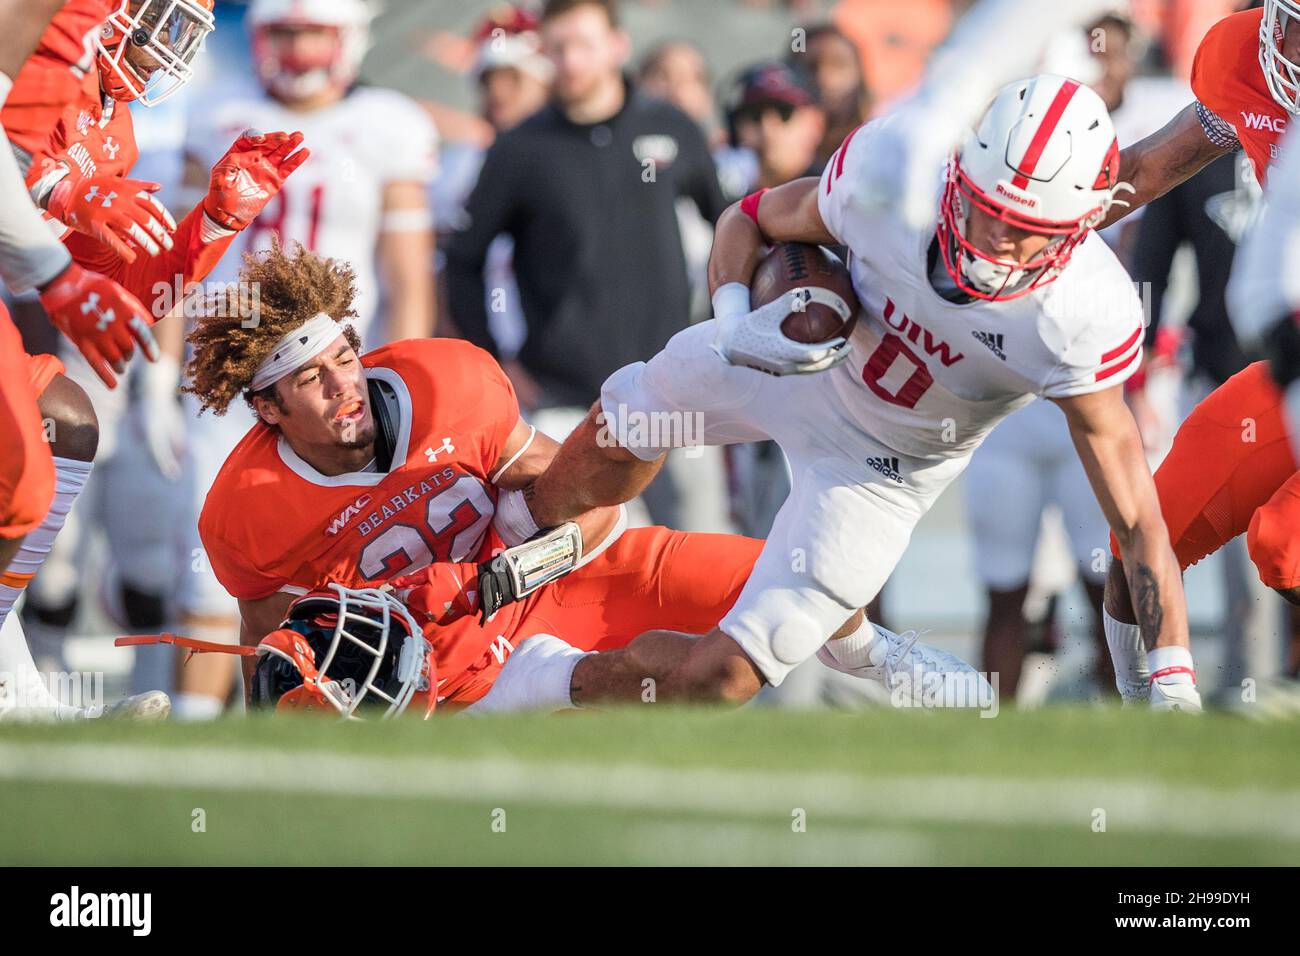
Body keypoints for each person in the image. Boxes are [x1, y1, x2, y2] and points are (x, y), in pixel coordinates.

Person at [514, 67, 1200, 711]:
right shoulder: (893, 180)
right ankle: (500, 544)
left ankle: (539, 676)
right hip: (787, 365)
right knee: (622, 426)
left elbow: (1137, 519)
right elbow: (748, 218)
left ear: (1079, 229)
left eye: (1025, 232)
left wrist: (1172, 674)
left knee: (720, 680)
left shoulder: (1078, 315)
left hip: (877, 471)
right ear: (959, 170)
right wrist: (733, 323)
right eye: (986, 209)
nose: (993, 242)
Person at [185, 240, 770, 712]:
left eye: (344, 359)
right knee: (694, 681)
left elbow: (594, 510)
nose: (344, 386)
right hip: (444, 681)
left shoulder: (446, 383)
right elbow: (273, 661)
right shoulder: (248, 509)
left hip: (566, 584)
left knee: (780, 583)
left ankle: (861, 653)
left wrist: (497, 575)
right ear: (269, 409)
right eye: (311, 379)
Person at [444, 0, 729, 533]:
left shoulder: (671, 126)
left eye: (584, 45)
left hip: (675, 387)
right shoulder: (518, 148)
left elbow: (732, 224)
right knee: (587, 555)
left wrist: (721, 329)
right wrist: (497, 364)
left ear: (617, 47)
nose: (571, 60)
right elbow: (462, 260)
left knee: (699, 545)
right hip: (563, 399)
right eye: (558, 48)